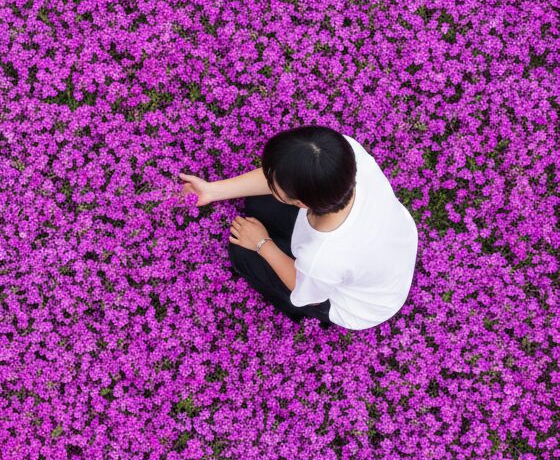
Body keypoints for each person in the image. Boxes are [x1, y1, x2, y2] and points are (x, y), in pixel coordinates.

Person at [179, 126, 418, 330]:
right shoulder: (343, 153)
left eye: (276, 184)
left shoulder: (323, 258)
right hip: (380, 247)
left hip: (353, 301)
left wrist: (262, 244)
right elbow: (285, 175)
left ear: (302, 203)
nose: (270, 179)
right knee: (258, 203)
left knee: (243, 253)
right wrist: (213, 190)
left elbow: (310, 296)